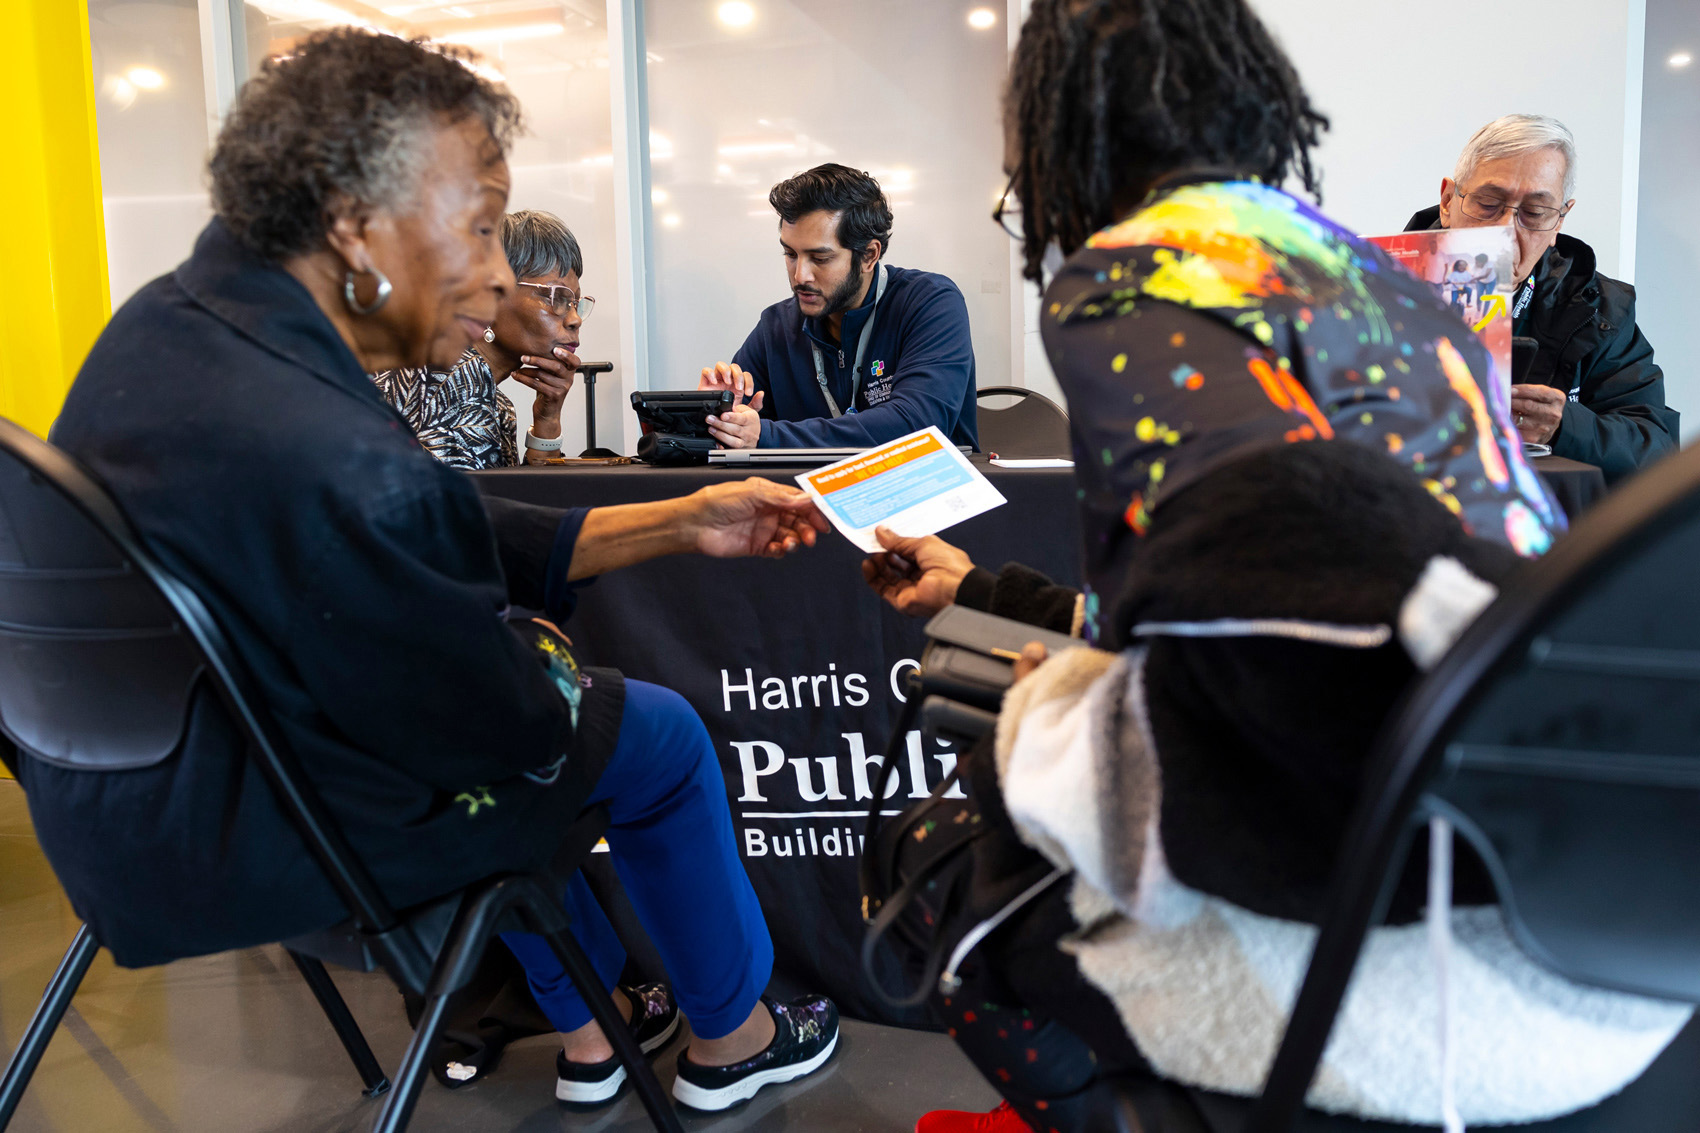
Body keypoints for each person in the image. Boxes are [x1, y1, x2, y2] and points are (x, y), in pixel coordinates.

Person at [856, 2, 1659, 1130]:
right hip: (1575, 903)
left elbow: (1236, 653)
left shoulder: (1126, 281)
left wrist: (1036, 720)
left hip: (1407, 962)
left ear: (1057, 134)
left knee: (929, 854)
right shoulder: (1384, 281)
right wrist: (980, 591)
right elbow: (1265, 589)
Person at [30, 30, 838, 1113]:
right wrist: (550, 658)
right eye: (483, 224)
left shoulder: (183, 328)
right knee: (650, 736)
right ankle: (732, 1035)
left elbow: (434, 518)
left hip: (134, 802)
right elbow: (499, 721)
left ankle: (594, 1029)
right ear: (356, 223)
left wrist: (674, 518)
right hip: (266, 833)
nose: (503, 275)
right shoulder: (324, 444)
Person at [1407, 113, 1678, 482]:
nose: (1505, 228)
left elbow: (1657, 448)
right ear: (1447, 201)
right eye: (1488, 204)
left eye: (1534, 213)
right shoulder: (1374, 283)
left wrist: (1566, 426)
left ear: (1559, 222)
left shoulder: (1598, 308)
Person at [694, 164, 979, 450]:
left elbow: (917, 428)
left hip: (920, 490)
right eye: (790, 254)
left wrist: (768, 436)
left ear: (869, 255)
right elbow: (741, 431)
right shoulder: (776, 327)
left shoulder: (930, 303)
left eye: (819, 258)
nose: (799, 275)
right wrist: (718, 418)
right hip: (805, 494)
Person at [372, 208, 589, 468]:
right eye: (557, 297)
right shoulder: (448, 377)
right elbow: (487, 507)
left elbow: (526, 497)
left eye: (575, 302)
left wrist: (548, 420)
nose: (574, 318)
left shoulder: (496, 402)